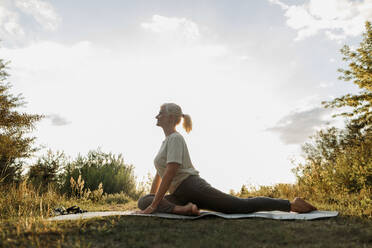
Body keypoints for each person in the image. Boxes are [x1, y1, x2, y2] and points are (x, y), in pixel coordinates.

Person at [136, 103, 317, 216]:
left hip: (192, 187)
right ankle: (182, 210)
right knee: (143, 200)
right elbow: (159, 174)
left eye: (160, 113)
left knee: (239, 206)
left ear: (170, 117)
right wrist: (152, 202)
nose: (156, 116)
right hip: (180, 195)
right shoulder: (165, 142)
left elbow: (170, 171)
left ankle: (291, 204)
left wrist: (155, 204)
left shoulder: (176, 138)